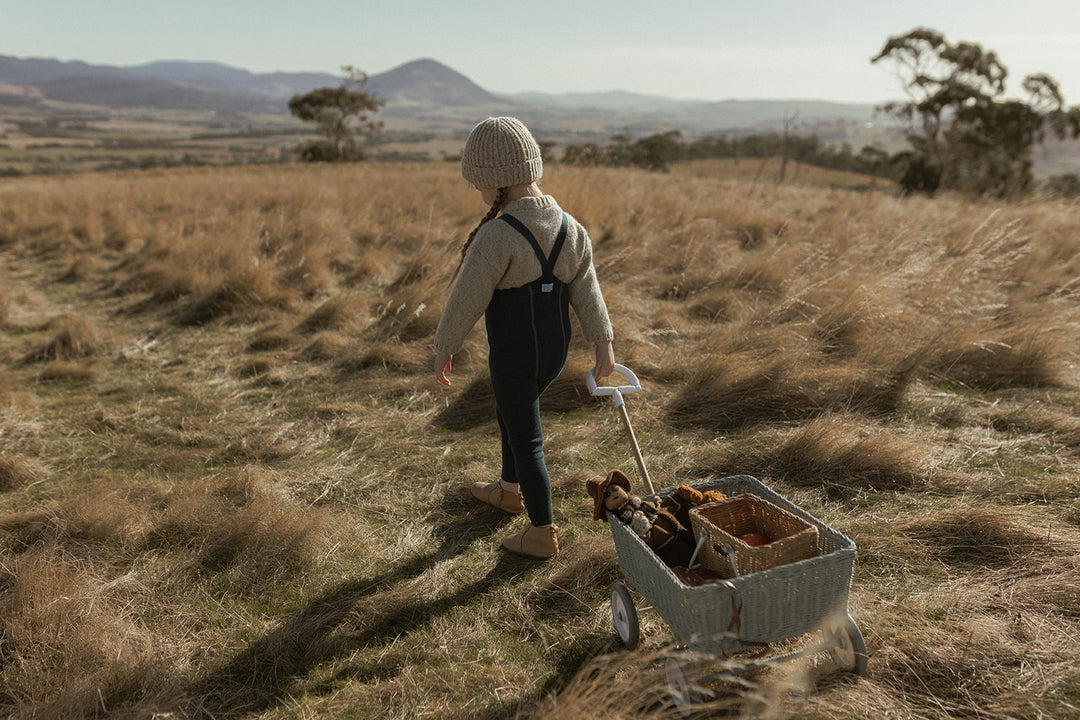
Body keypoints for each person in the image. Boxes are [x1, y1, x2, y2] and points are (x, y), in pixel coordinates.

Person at [433, 117, 615, 559]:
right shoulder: (571, 228)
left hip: (514, 355)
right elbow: (588, 292)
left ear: (496, 184)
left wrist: (444, 346)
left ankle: (541, 531)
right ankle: (509, 490)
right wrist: (603, 345)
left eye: (479, 185)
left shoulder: (497, 235)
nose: (478, 194)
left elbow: (466, 299)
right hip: (552, 354)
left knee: (527, 439)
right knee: (513, 420)